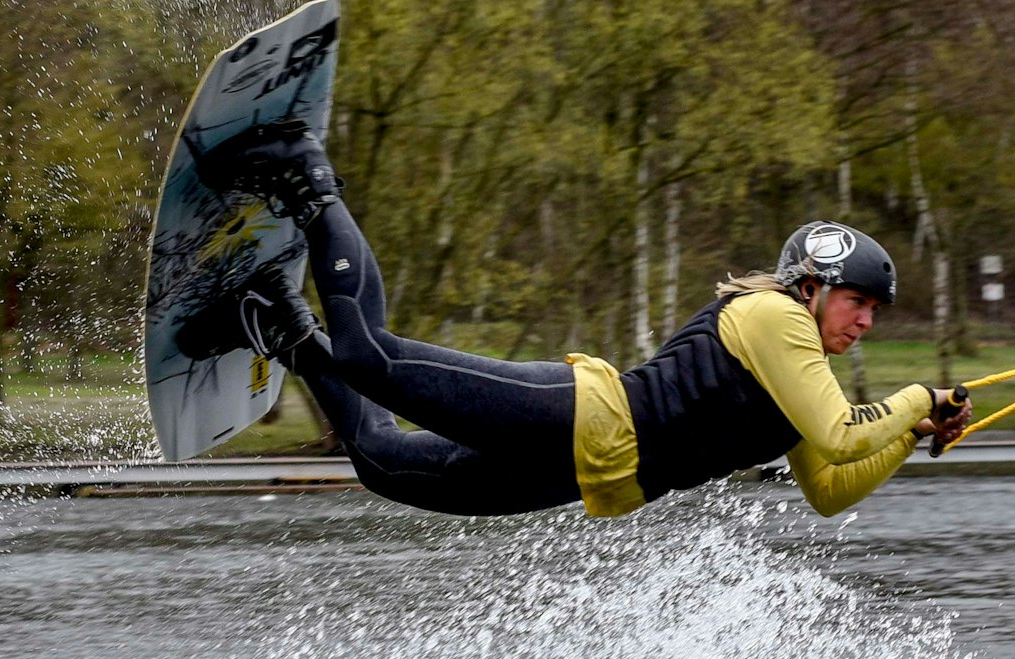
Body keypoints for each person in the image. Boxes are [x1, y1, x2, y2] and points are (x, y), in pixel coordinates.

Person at [178, 118, 973, 518]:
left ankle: (273, 320)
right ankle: (306, 173)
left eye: (874, 310)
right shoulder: (775, 319)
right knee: (369, 355)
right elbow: (840, 433)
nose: (866, 319)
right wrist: (912, 401)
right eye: (858, 301)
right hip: (585, 415)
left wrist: (909, 433)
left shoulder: (805, 379)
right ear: (812, 286)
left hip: (587, 472)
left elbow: (830, 485)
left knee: (385, 466)